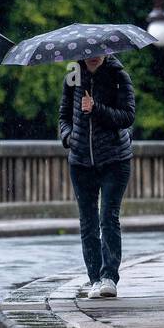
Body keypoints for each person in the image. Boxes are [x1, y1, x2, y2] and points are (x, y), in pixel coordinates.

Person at [58, 53, 136, 298]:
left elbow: (127, 117)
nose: (92, 57)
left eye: (98, 52)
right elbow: (63, 116)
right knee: (88, 223)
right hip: (80, 162)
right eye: (87, 52)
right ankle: (94, 279)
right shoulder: (72, 76)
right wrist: (69, 138)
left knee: (108, 218)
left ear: (106, 52)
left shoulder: (118, 76)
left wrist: (96, 109)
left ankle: (109, 278)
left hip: (115, 159)